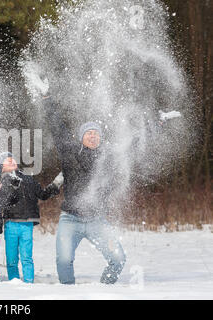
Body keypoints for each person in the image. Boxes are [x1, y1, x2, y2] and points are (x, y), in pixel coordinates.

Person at [28, 75, 128, 285]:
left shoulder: (107, 158)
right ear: (81, 137)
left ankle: (105, 291)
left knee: (118, 259)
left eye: (96, 134)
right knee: (63, 261)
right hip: (70, 220)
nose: (93, 136)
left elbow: (132, 146)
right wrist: (47, 98)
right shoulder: (70, 151)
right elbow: (57, 126)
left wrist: (157, 124)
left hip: (96, 220)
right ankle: (68, 294)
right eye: (89, 133)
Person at [0, 152, 64, 283]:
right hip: (11, 223)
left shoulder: (28, 179)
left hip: (27, 223)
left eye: (12, 159)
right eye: (6, 160)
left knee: (26, 257)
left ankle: (29, 283)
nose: (11, 160)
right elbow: (2, 200)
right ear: (1, 167)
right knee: (11, 258)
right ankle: (13, 282)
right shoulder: (2, 182)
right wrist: (9, 186)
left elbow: (43, 194)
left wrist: (57, 183)